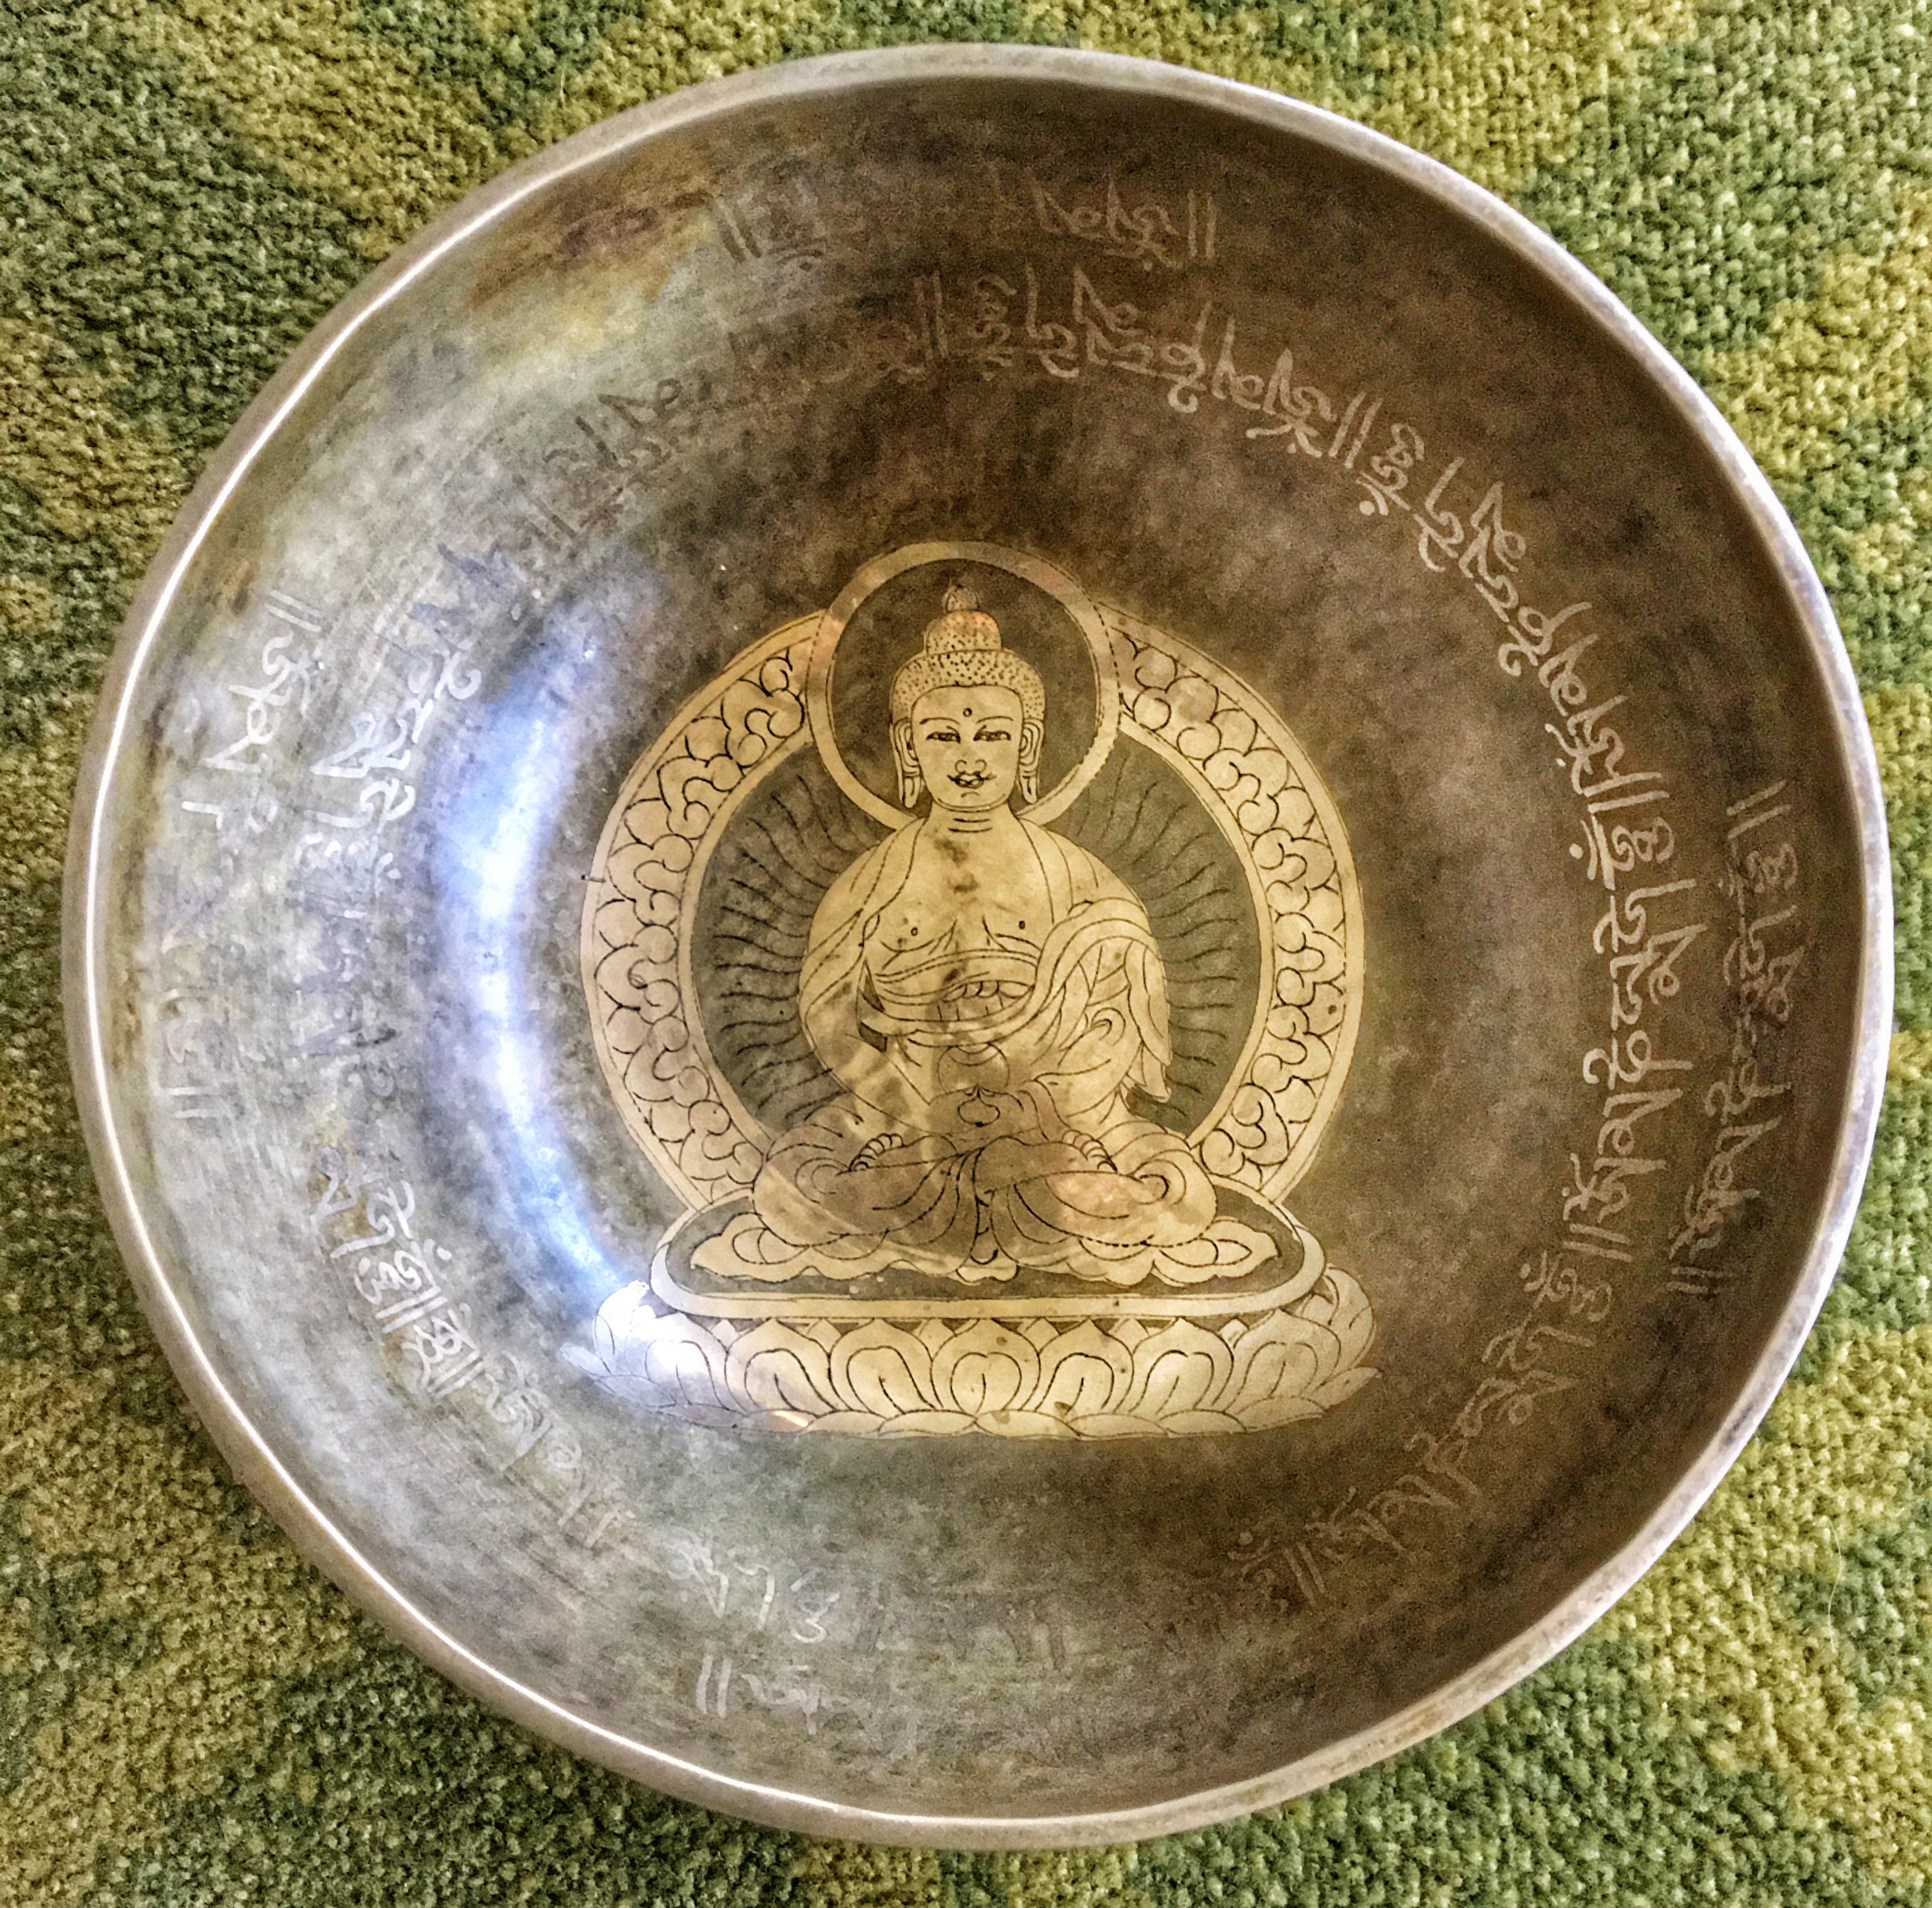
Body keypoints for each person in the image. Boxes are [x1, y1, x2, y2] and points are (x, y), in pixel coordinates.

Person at [696, 582, 1273, 1289]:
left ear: (1027, 743)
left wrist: (1032, 1107)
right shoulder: (870, 883)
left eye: (992, 734)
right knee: (798, 1185)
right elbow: (832, 1021)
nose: (968, 757)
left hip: (1054, 1127)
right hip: (907, 1122)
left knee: (1168, 1189)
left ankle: (1018, 1178)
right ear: (908, 746)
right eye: (944, 736)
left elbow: (1116, 1029)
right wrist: (915, 1103)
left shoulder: (1080, 879)